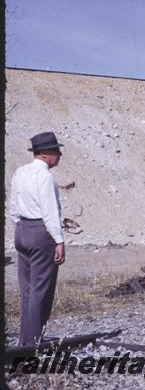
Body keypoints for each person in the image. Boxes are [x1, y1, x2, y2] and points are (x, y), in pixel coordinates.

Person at [10, 131, 66, 346]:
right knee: (41, 289)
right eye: (56, 151)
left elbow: (14, 207)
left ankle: (25, 339)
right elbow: (50, 212)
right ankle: (33, 342)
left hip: (22, 230)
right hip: (41, 232)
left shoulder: (20, 172)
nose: (59, 155)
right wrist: (59, 240)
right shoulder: (45, 177)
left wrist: (19, 226)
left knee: (27, 289)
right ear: (44, 154)